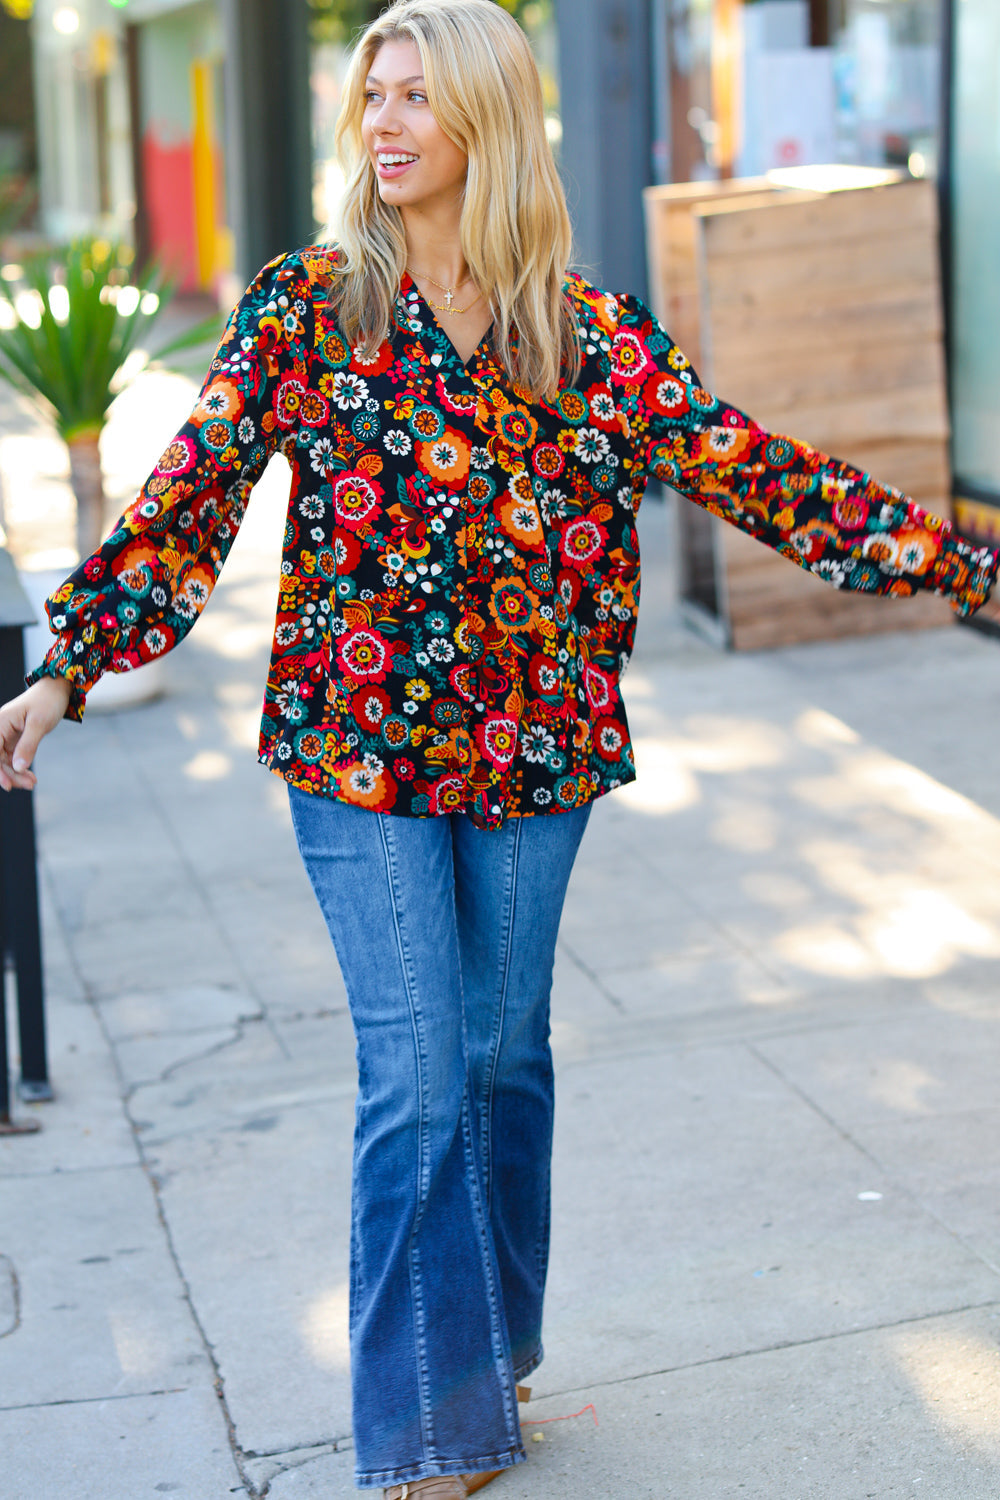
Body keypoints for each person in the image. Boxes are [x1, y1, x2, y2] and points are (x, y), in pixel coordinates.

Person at [0, 1, 996, 1495]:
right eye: (372, 97)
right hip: (360, 757)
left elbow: (757, 471)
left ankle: (493, 1350)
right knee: (416, 1073)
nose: (385, 125)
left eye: (417, 97)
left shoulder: (581, 334)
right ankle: (424, 1430)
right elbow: (187, 497)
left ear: (488, 123)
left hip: (538, 758)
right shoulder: (311, 307)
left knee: (504, 1058)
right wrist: (68, 665)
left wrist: (964, 562)